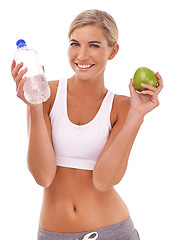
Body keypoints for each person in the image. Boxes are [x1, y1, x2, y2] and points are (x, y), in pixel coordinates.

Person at [11, 9, 163, 240]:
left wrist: (137, 115)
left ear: (113, 51)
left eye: (93, 45)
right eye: (74, 44)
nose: (81, 55)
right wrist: (34, 106)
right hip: (54, 233)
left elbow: (104, 180)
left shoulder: (122, 106)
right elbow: (43, 176)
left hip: (112, 232)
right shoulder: (45, 93)